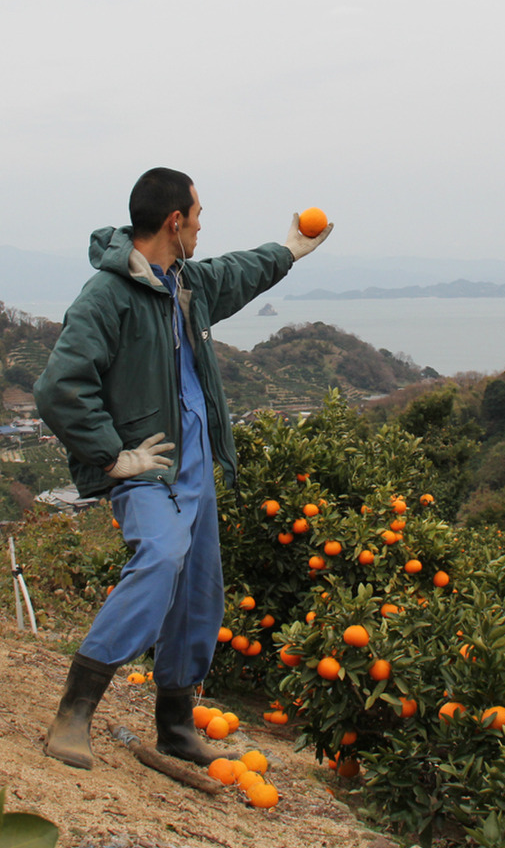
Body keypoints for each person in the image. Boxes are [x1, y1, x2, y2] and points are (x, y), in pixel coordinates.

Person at [34, 167, 331, 769]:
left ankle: (174, 723)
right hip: (149, 467)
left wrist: (290, 251)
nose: (200, 228)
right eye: (197, 217)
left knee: (199, 592)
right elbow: (59, 387)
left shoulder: (184, 283)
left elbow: (237, 271)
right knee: (161, 557)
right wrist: (114, 455)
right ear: (175, 222)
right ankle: (74, 712)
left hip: (194, 463)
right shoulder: (107, 295)